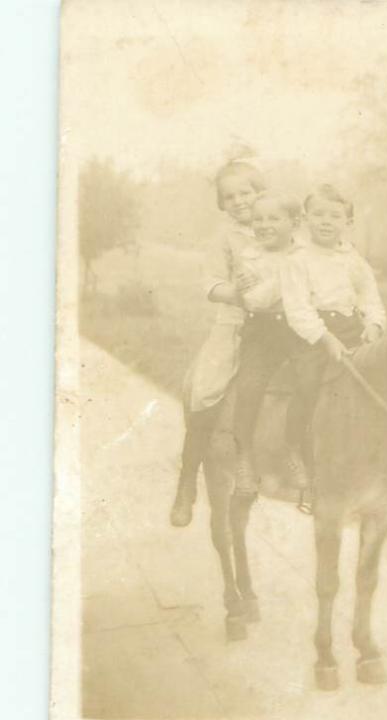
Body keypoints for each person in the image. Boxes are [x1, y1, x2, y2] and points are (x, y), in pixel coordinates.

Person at [170, 160, 266, 527]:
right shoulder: (223, 238)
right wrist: (237, 293)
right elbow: (210, 284)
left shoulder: (278, 226)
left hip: (280, 324)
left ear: (260, 193)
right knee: (205, 391)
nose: (240, 201)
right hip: (235, 325)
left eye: (246, 192)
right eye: (230, 196)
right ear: (221, 204)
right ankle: (186, 481)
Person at [279, 183, 387, 478]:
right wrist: (326, 339)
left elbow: (370, 299)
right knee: (309, 383)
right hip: (311, 333)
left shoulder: (354, 260)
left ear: (348, 223)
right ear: (305, 219)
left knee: (381, 374)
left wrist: (374, 326)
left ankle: (372, 446)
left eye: (335, 216)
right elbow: (298, 310)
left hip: (351, 327)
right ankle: (294, 448)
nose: (326, 221)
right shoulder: (297, 259)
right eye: (319, 214)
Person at [230, 190, 307, 495]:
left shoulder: (305, 250)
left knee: (310, 382)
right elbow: (254, 301)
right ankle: (243, 456)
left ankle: (294, 449)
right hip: (262, 331)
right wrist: (293, 277)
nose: (263, 225)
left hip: (300, 328)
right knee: (249, 386)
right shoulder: (250, 256)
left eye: (273, 218)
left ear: (295, 222)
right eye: (258, 219)